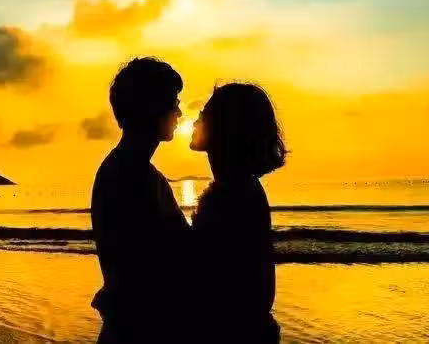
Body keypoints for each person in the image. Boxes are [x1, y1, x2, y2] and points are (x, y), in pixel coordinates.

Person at [91, 57, 191, 343]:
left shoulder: (134, 171)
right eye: (173, 102)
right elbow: (148, 270)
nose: (179, 112)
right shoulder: (129, 174)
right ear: (150, 107)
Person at [189, 83, 287, 344]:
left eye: (204, 114)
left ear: (225, 129)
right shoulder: (238, 189)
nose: (196, 119)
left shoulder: (233, 196)